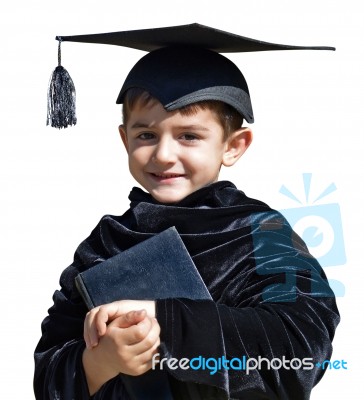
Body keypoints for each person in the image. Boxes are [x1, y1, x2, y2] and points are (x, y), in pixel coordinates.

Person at [35, 24, 340, 399]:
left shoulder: (259, 233)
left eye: (189, 136)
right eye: (145, 134)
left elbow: (303, 347)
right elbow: (49, 371)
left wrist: (167, 323)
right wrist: (102, 362)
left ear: (234, 146)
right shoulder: (105, 244)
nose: (163, 154)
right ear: (124, 138)